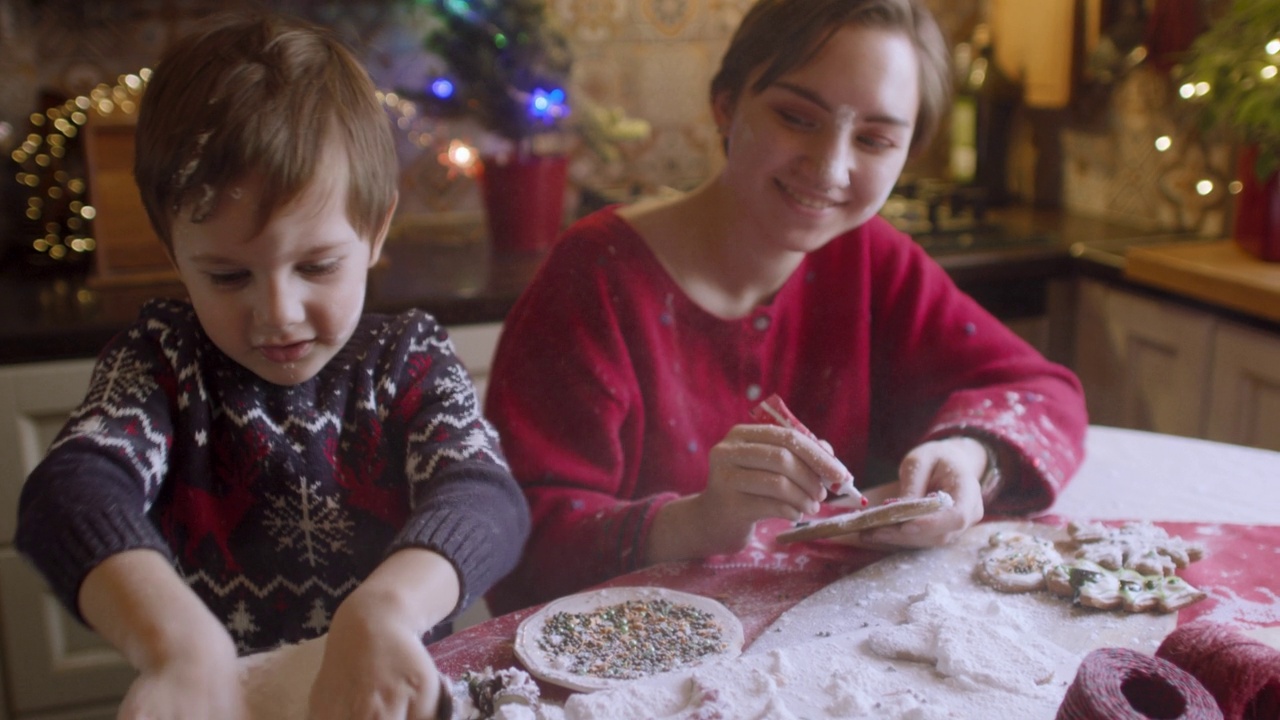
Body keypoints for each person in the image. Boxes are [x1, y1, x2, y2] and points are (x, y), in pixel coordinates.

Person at [483, 0, 1087, 616]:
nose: (829, 167)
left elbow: (1042, 391)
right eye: (797, 117)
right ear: (726, 105)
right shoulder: (596, 276)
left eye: (876, 139)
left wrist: (967, 454)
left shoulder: (873, 258)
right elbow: (510, 540)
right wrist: (697, 522)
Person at [15, 13, 528, 720]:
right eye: (228, 276)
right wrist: (180, 645)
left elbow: (485, 496)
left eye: (316, 265)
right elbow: (69, 493)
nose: (278, 312)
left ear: (375, 231)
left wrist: (383, 608)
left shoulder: (407, 358)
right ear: (174, 253)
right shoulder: (163, 366)